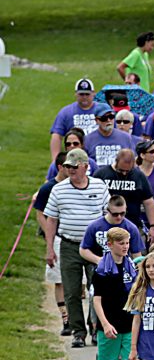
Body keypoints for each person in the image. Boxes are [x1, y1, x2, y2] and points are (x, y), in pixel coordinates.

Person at [43, 148, 110, 347]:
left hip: (95, 246)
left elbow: (108, 215)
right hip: (69, 245)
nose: (70, 170)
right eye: (68, 167)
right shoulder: (59, 189)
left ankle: (96, 328)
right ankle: (78, 332)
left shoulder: (99, 186)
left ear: (85, 167)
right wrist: (49, 248)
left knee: (96, 289)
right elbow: (51, 220)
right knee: (71, 291)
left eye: (74, 166)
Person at [87, 227, 149, 360]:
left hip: (129, 323)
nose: (125, 247)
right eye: (121, 243)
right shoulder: (102, 270)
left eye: (127, 243)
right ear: (110, 244)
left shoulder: (131, 267)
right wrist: (105, 324)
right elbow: (97, 300)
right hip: (110, 324)